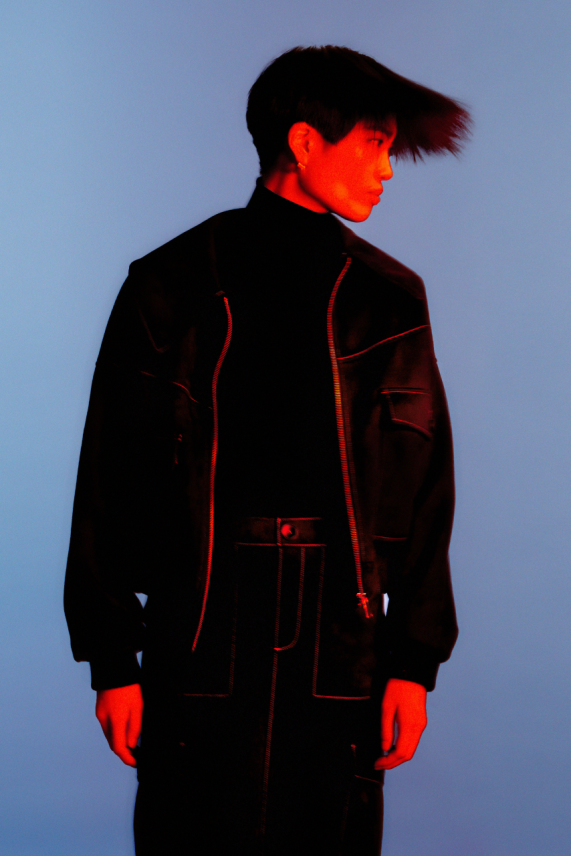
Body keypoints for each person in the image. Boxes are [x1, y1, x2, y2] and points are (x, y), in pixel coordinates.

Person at [64, 45, 470, 856]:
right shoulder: (167, 284)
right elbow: (105, 474)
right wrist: (112, 659)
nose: (385, 170)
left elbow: (427, 486)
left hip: (341, 634)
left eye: (391, 149)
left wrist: (412, 663)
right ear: (304, 142)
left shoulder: (391, 300)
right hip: (199, 624)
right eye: (373, 144)